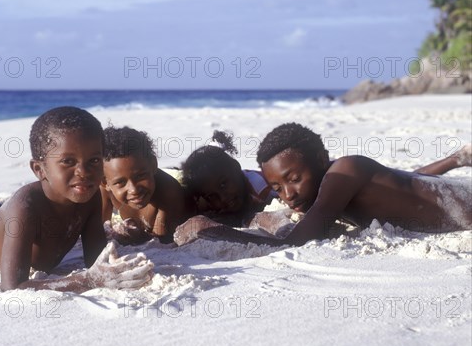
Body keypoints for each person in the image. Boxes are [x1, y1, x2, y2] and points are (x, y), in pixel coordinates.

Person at [0, 107, 153, 292]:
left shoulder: (89, 197)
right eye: (68, 162)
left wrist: (113, 270)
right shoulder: (25, 208)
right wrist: (88, 281)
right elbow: (12, 286)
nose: (83, 172)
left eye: (93, 161)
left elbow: (97, 261)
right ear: (39, 169)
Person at [176, 124, 471, 246]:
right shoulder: (342, 178)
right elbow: (407, 180)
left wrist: (220, 232)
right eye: (277, 188)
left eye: (293, 179)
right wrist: (454, 159)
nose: (288, 195)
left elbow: (297, 240)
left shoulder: (343, 172)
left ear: (321, 159)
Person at [100, 125, 189, 244]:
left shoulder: (169, 193)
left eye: (140, 176)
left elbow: (160, 241)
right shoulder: (106, 188)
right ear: (105, 182)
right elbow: (100, 230)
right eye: (121, 182)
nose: (134, 189)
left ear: (153, 165)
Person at [181, 130, 276, 227]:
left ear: (236, 166)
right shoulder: (207, 197)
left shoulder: (260, 186)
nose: (223, 198)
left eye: (223, 184)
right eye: (212, 196)